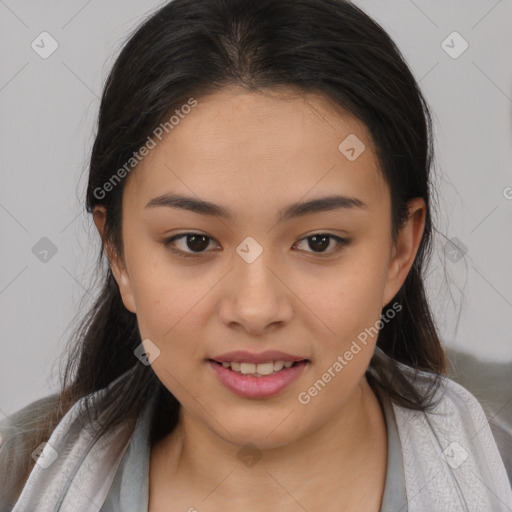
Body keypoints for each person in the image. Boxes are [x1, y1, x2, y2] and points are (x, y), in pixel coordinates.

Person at [1, 0, 511, 511]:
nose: (255, 309)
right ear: (119, 255)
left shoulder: (498, 470)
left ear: (400, 249)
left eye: (319, 242)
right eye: (194, 242)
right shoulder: (17, 479)